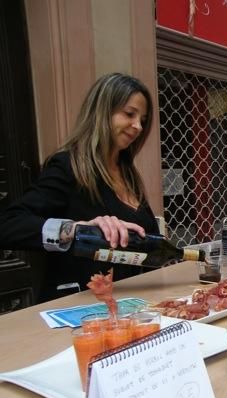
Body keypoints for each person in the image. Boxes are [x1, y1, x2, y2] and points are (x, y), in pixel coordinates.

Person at [0, 73, 158, 302]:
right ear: (102, 112)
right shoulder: (68, 166)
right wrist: (74, 229)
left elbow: (146, 243)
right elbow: (8, 225)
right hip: (79, 312)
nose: (138, 126)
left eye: (142, 119)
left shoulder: (128, 173)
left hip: (129, 308)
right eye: (129, 114)